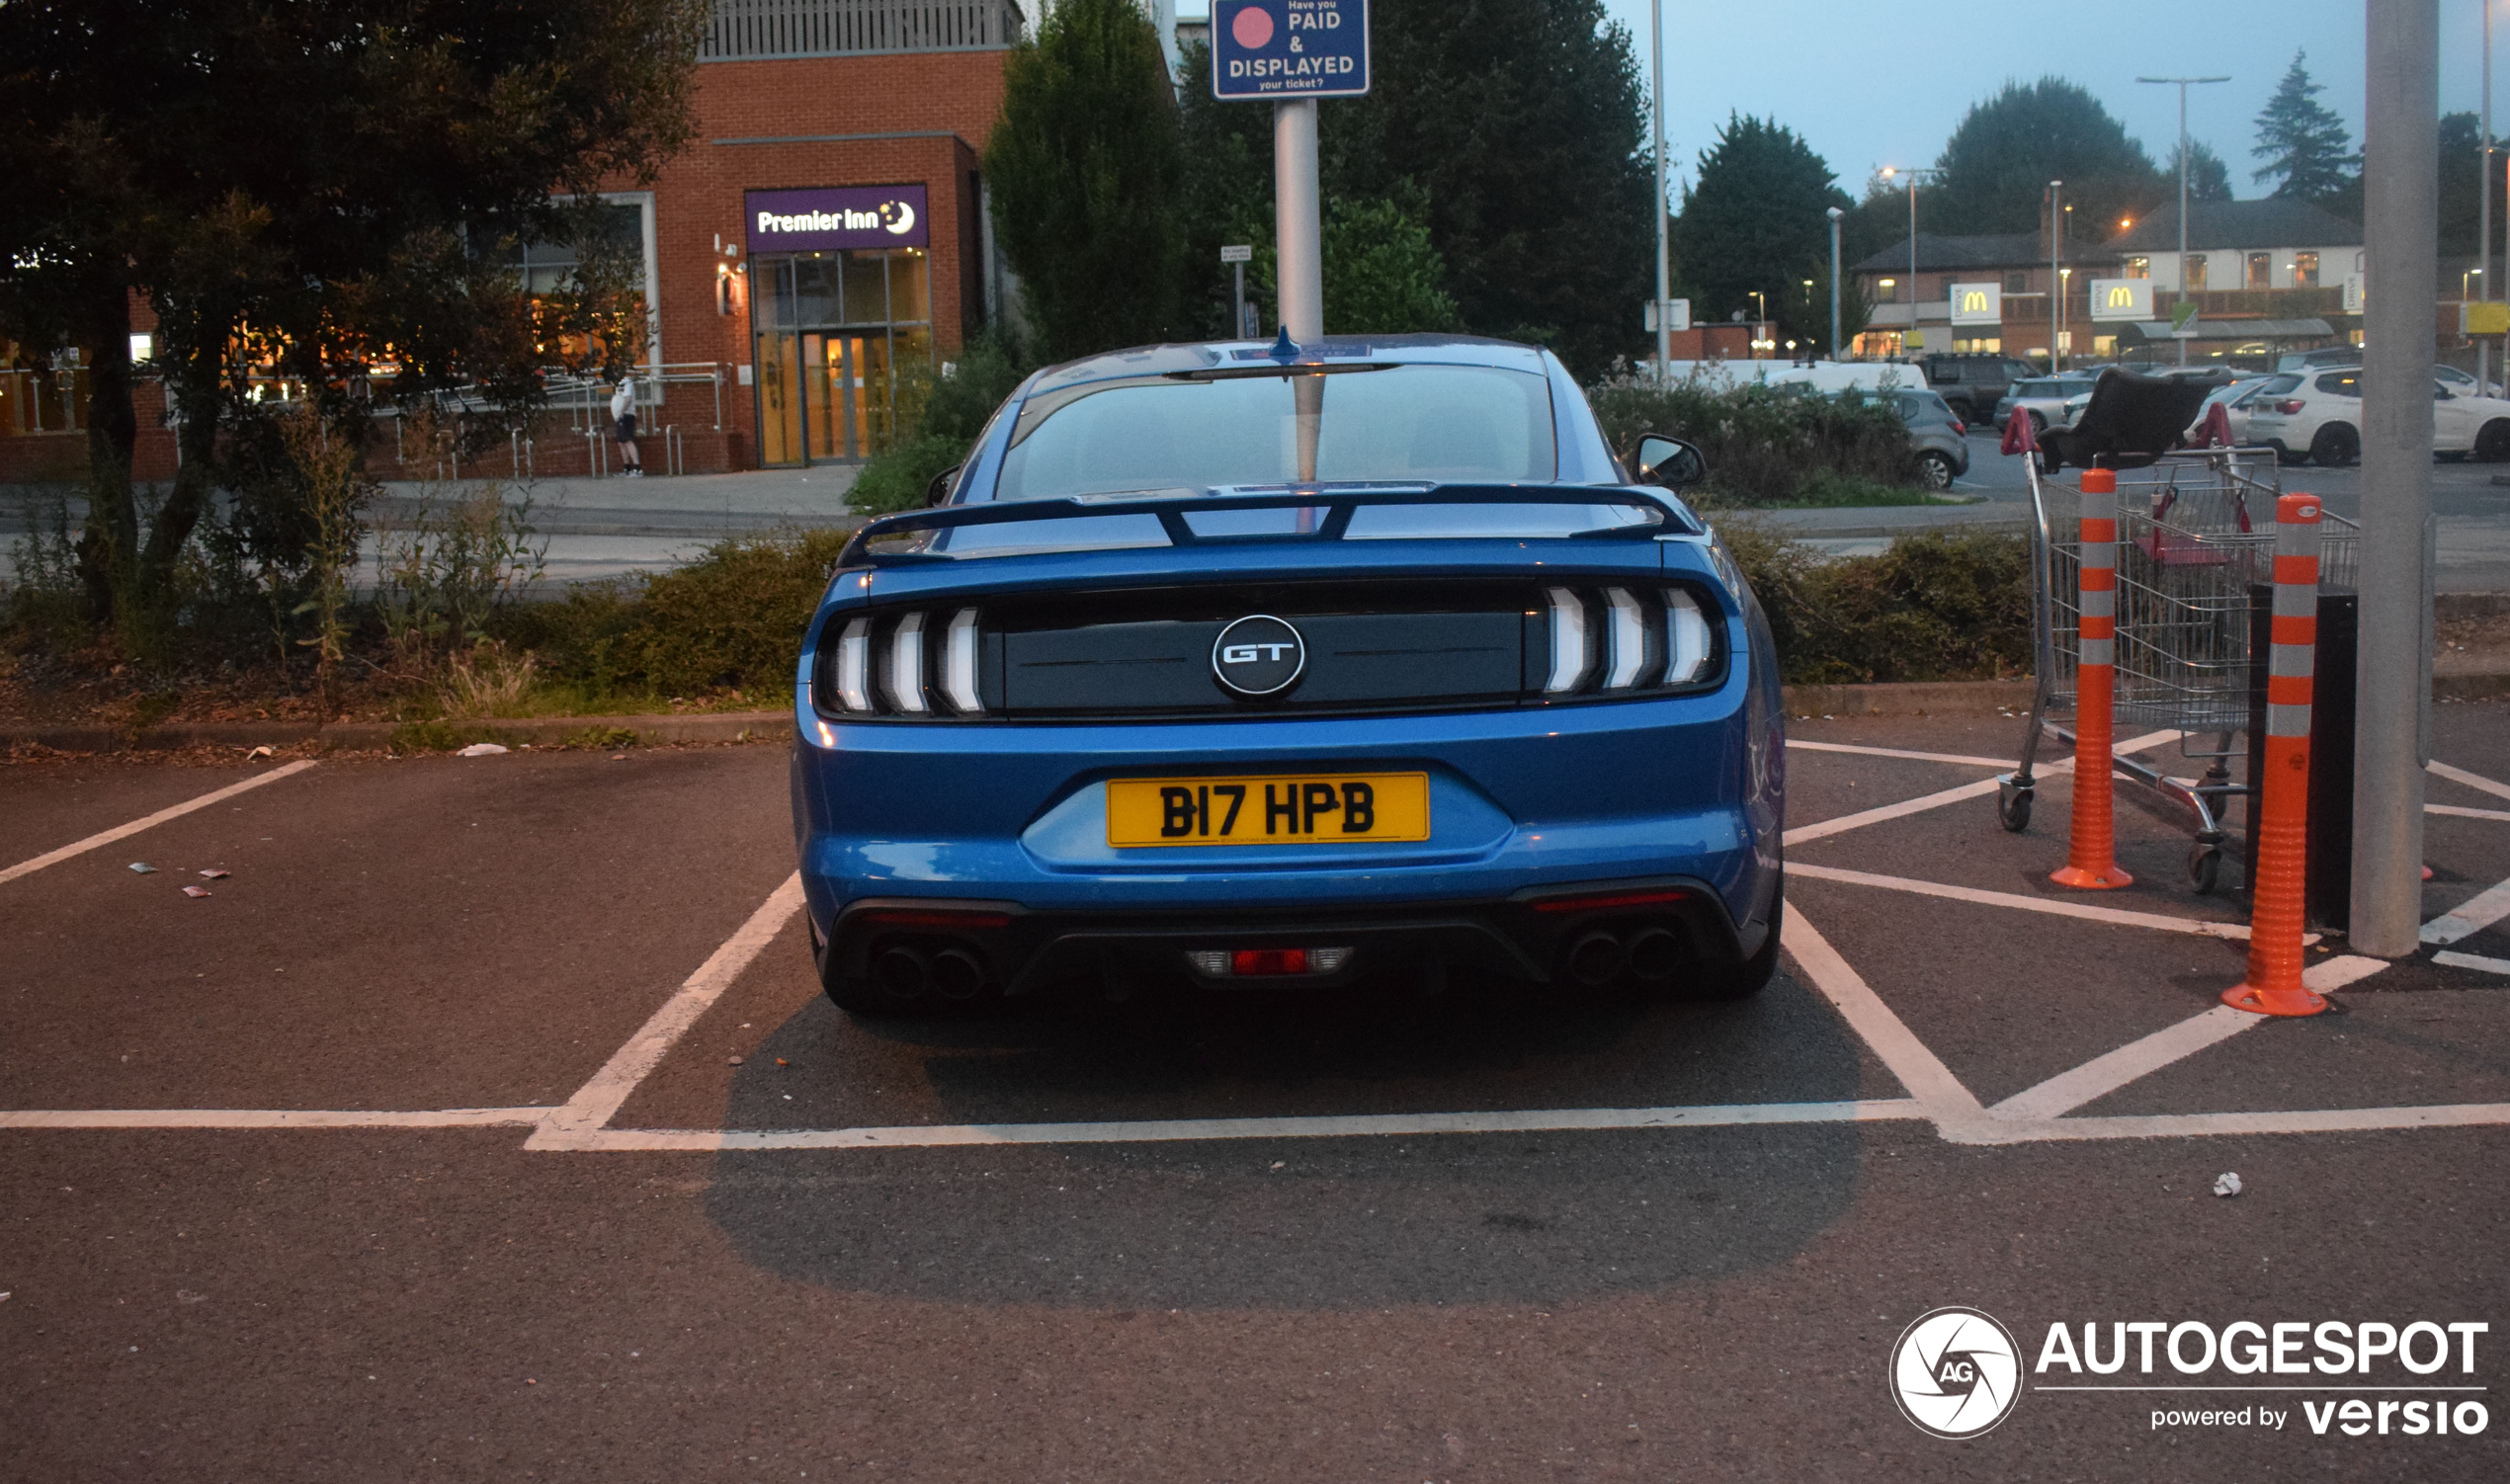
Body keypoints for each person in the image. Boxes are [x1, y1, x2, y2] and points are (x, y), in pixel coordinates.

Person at [611, 374, 643, 476]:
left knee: (628, 441)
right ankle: (627, 468)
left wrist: (621, 412)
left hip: (626, 416)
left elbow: (628, 398)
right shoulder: (618, 383)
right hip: (619, 417)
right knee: (621, 442)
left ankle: (637, 469)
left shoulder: (626, 381)